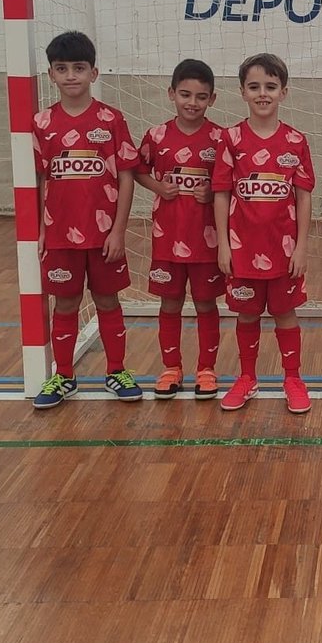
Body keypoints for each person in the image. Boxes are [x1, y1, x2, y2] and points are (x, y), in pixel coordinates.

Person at [30, 30, 142, 409]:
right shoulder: (42, 123)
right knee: (65, 303)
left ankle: (116, 370)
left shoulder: (111, 119)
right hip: (60, 235)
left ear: (94, 73)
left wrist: (119, 230)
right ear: (51, 75)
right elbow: (41, 178)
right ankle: (63, 376)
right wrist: (42, 230)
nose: (71, 75)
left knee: (108, 300)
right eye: (62, 69)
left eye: (79, 68)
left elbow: (126, 174)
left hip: (103, 235)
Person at [212, 53, 314, 414]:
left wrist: (302, 247)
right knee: (246, 315)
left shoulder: (296, 141)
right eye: (254, 87)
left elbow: (304, 197)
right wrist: (224, 245)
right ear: (242, 92)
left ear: (283, 92)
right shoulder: (231, 138)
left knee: (286, 314)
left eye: (270, 87)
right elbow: (221, 193)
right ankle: (247, 377)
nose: (262, 93)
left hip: (284, 250)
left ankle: (293, 378)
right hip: (242, 249)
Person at [135, 59, 224, 401]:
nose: (192, 102)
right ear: (171, 93)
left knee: (205, 305)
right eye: (185, 94)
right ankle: (171, 367)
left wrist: (212, 191)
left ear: (212, 99)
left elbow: (228, 181)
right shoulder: (156, 136)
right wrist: (157, 187)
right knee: (170, 304)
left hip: (207, 241)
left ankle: (207, 369)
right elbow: (137, 169)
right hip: (167, 239)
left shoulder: (220, 138)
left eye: (201, 96)